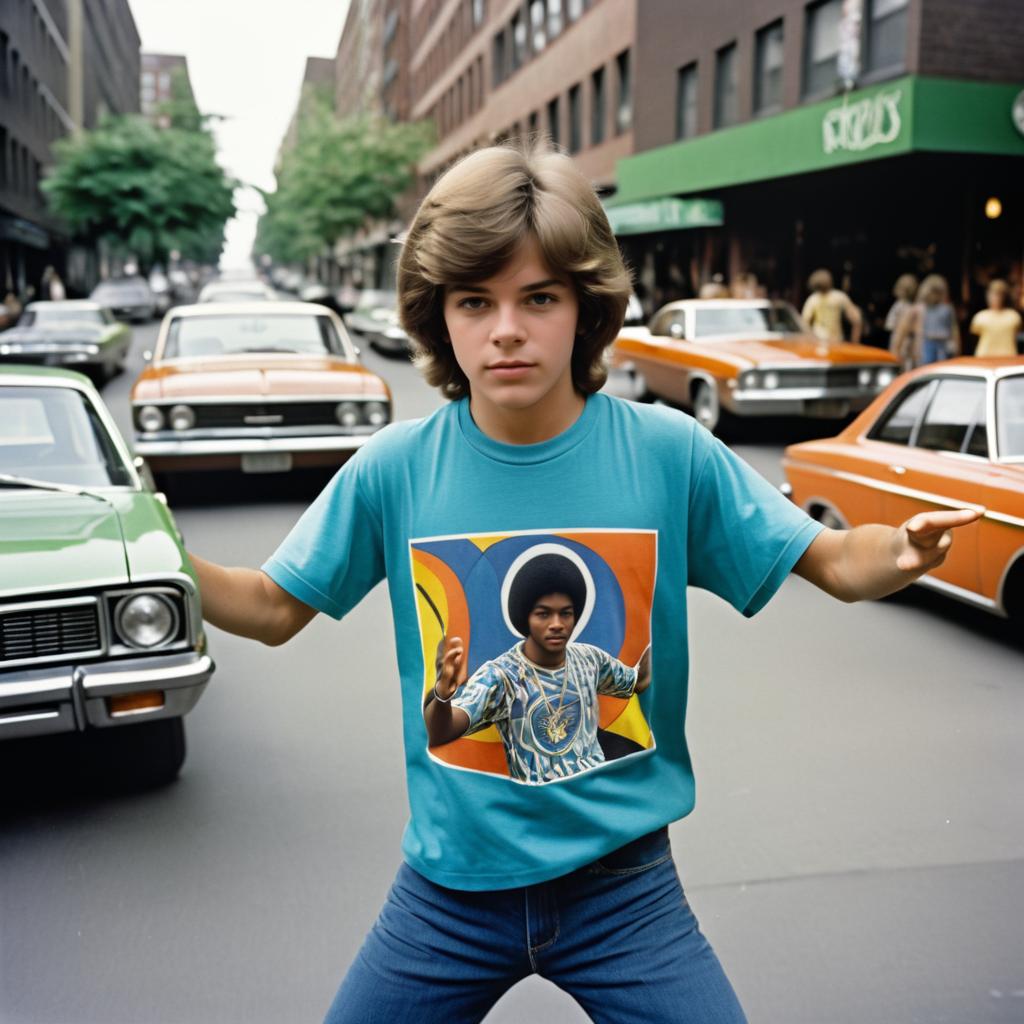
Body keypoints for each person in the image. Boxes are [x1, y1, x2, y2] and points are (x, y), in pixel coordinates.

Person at [185, 143, 980, 1023]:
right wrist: (165, 558)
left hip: (625, 889)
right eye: (475, 302)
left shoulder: (666, 452)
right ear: (438, 314)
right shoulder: (395, 468)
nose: (507, 330)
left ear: (585, 308)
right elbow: (267, 608)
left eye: (540, 298)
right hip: (450, 890)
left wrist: (900, 553)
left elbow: (830, 561)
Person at [425, 551, 652, 783]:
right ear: (526, 618)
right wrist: (443, 694)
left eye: (565, 614)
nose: (557, 624)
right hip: (540, 808)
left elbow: (638, 680)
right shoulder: (502, 676)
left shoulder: (589, 659)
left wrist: (662, 636)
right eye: (543, 614)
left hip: (598, 795)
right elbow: (441, 732)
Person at [893, 274, 961, 366]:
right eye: (933, 291)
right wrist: (896, 352)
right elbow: (901, 332)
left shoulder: (947, 309)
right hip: (921, 353)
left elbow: (954, 332)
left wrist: (956, 353)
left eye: (938, 292)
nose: (934, 296)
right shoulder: (916, 310)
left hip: (942, 352)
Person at [801, 268, 863, 344]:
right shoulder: (839, 296)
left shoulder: (813, 299)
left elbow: (804, 323)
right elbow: (857, 319)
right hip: (834, 340)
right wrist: (855, 342)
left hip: (819, 341)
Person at [969, 279, 1022, 357]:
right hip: (984, 357)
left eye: (999, 294)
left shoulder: (1013, 316)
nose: (995, 298)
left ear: (1004, 296)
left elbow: (1017, 333)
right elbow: (974, 337)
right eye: (992, 294)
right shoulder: (980, 317)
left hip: (1008, 357)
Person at [884, 273, 918, 368]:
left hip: (898, 339)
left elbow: (889, 325)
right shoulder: (915, 307)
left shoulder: (897, 306)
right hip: (910, 341)